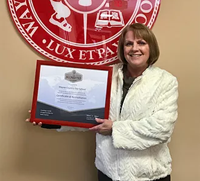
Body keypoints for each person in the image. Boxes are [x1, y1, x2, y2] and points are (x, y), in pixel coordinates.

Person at [27, 23, 178, 181]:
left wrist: (114, 129)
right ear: (122, 48)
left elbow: (162, 129)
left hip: (149, 176)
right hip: (108, 173)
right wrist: (49, 118)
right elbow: (87, 114)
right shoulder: (105, 76)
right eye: (128, 43)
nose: (134, 48)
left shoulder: (165, 81)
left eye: (141, 43)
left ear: (151, 47)